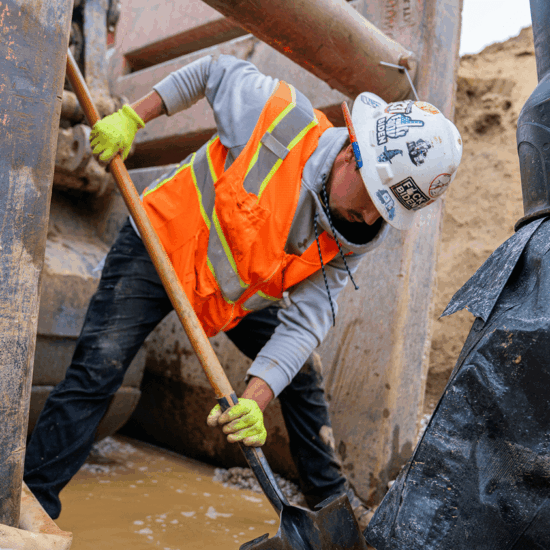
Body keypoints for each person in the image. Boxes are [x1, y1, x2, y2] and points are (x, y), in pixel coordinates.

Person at [23, 54, 462, 525]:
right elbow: (211, 71)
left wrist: (255, 397)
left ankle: (332, 509)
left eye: (388, 209)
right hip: (160, 246)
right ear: (350, 152)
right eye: (375, 196)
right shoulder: (276, 114)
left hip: (230, 296)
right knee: (98, 373)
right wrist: (134, 117)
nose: (373, 219)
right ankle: (28, 504)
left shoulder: (354, 231)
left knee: (300, 377)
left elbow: (306, 322)